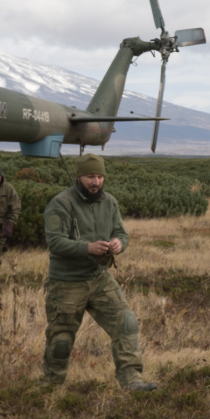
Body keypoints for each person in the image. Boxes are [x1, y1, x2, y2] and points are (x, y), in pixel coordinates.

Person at [42, 154, 154, 391]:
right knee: (61, 339)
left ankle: (132, 381)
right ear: (79, 176)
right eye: (91, 176)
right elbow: (55, 242)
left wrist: (118, 244)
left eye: (100, 176)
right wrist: (87, 248)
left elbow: (122, 233)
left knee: (126, 322)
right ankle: (50, 387)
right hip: (67, 282)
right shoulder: (60, 203)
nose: (96, 181)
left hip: (100, 276)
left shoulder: (110, 202)